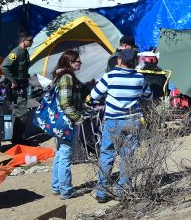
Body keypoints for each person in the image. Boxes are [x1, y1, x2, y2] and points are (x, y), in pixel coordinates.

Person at [91, 49, 152, 203]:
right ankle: (122, 190)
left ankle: (102, 192)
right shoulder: (140, 77)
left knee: (107, 155)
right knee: (127, 156)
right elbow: (149, 96)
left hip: (113, 120)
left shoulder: (109, 76)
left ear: (119, 60)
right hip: (133, 120)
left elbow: (94, 95)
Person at [51, 50, 85, 199]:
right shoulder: (67, 78)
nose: (80, 63)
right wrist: (77, 117)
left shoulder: (62, 76)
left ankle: (57, 186)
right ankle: (66, 190)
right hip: (67, 122)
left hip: (60, 121)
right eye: (78, 61)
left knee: (60, 154)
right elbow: (65, 102)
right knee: (65, 155)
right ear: (70, 63)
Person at [0, 30, 33, 144]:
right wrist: (13, 81)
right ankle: (18, 140)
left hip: (22, 85)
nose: (32, 42)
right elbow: (4, 67)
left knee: (17, 113)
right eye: (30, 40)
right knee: (22, 113)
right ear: (24, 41)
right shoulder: (16, 52)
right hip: (16, 87)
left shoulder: (25, 52)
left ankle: (16, 139)